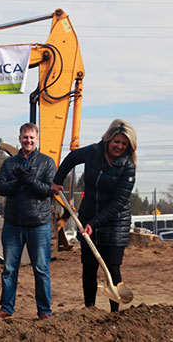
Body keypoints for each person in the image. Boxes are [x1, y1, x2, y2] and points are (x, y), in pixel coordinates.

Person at [50, 118, 137, 312]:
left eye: (124, 144)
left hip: (115, 222)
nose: (120, 146)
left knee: (112, 269)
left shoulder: (128, 166)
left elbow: (118, 202)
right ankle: (89, 310)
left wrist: (95, 223)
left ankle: (115, 313)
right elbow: (71, 159)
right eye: (117, 141)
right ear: (108, 139)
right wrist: (57, 180)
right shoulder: (93, 152)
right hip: (88, 217)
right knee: (89, 267)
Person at [0, 122, 56, 320]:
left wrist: (30, 181)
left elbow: (48, 190)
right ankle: (6, 308)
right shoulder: (9, 164)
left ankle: (44, 311)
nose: (28, 140)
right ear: (19, 139)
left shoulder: (47, 162)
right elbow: (0, 187)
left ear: (37, 139)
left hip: (39, 224)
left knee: (41, 269)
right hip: (13, 224)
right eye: (25, 137)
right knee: (9, 269)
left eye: (32, 137)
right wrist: (18, 182)